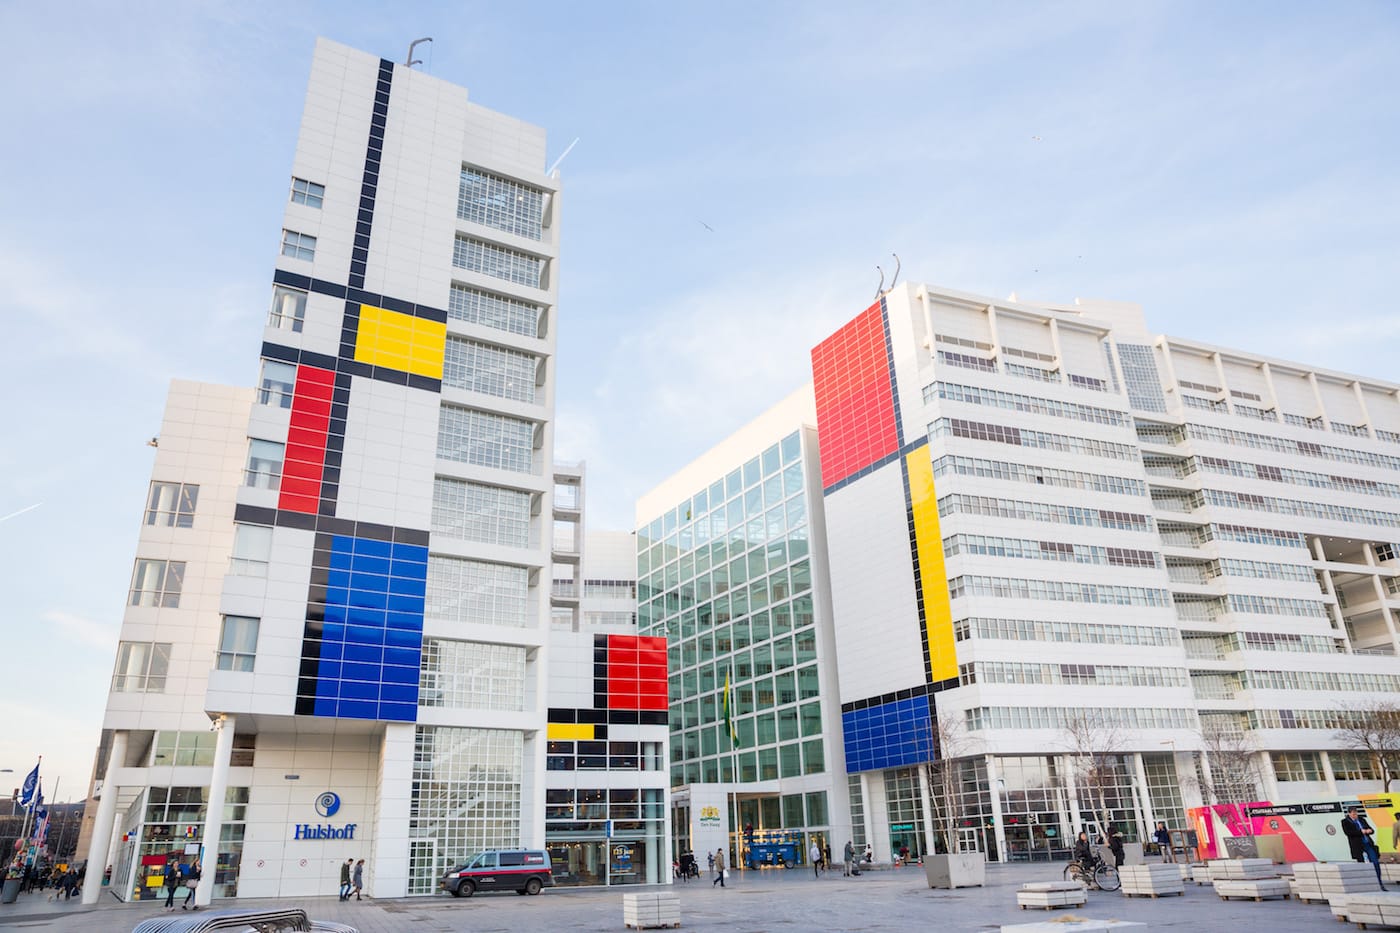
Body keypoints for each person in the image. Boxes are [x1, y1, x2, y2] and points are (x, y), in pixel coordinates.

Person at [1342, 805, 1386, 889]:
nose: (1355, 815)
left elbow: (1371, 829)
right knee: (1361, 864)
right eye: (1353, 814)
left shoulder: (1361, 820)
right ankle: (1365, 885)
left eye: (1356, 813)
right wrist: (1361, 832)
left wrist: (1369, 831)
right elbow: (1348, 833)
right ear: (1349, 813)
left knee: (1375, 861)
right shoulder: (1345, 822)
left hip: (1367, 843)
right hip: (1357, 846)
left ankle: (1379, 883)